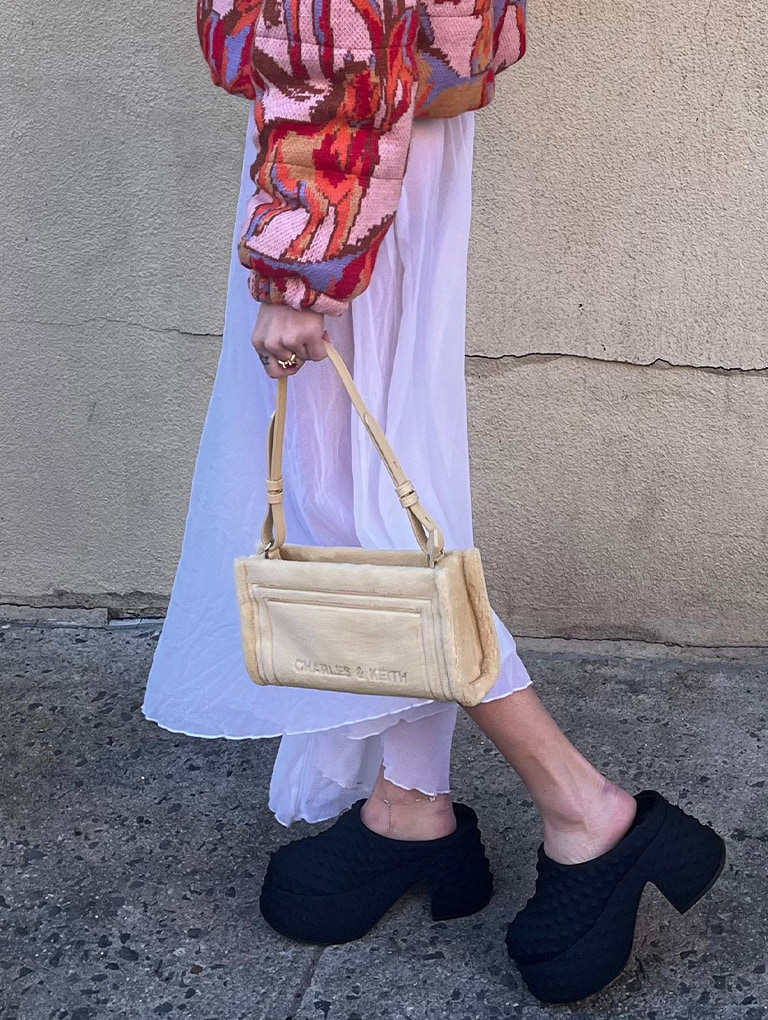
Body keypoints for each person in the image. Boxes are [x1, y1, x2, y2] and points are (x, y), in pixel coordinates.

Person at [142, 0, 725, 1003]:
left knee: (364, 516)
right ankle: (410, 804)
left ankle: (587, 810)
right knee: (377, 498)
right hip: (368, 136)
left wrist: (301, 264)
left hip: (345, 151)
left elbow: (332, 23)